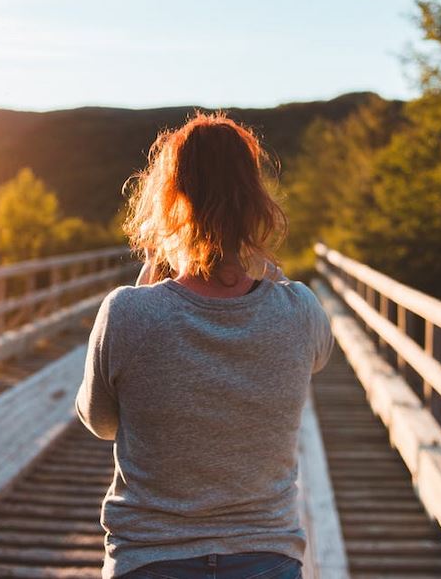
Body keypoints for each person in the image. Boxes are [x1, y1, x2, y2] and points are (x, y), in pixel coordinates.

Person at [75, 111, 334, 579]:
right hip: (266, 557)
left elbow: (100, 421)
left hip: (151, 558)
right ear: (256, 203)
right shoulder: (300, 311)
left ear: (171, 202)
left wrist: (149, 277)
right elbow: (316, 355)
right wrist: (256, 255)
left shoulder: (128, 313)